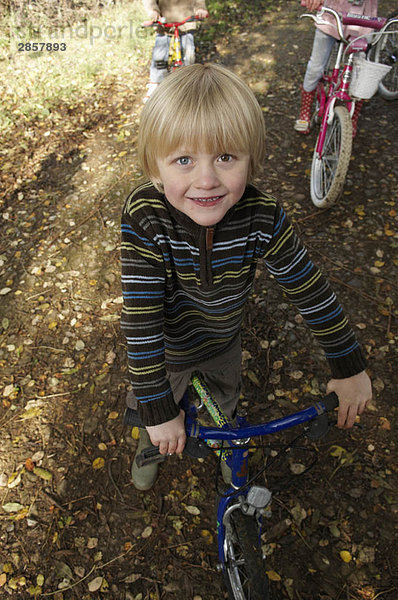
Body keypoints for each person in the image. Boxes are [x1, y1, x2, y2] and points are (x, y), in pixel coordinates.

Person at [121, 63, 372, 490]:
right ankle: (150, 444)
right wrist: (158, 409)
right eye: (183, 159)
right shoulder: (145, 216)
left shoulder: (262, 216)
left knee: (225, 400)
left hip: (222, 340)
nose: (206, 179)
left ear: (250, 159)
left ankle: (227, 445)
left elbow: (309, 289)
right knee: (153, 409)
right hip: (166, 348)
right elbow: (141, 318)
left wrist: (347, 364)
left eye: (225, 157)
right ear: (155, 169)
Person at [295, 0, 378, 136]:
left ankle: (353, 115)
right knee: (316, 66)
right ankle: (305, 109)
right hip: (332, 14)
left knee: (360, 72)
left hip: (364, 19)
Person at [142, 0, 208, 102]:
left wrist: (200, 8)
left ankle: (189, 84)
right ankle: (155, 84)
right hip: (164, 22)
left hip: (186, 21)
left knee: (189, 56)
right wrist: (153, 10)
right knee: (159, 56)